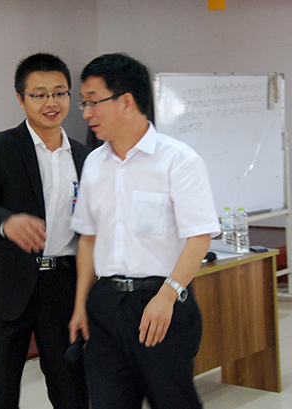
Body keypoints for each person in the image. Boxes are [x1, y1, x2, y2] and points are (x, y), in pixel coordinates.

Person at [68, 53, 220, 409]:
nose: (86, 113)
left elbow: (199, 237)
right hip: (106, 304)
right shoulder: (94, 163)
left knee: (173, 401)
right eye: (84, 103)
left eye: (93, 101)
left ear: (126, 101)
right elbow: (88, 239)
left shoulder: (178, 160)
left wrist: (167, 297)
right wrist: (80, 306)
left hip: (160, 301)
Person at [0, 53, 90, 409]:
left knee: (73, 392)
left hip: (64, 286)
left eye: (59, 93)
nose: (51, 103)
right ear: (21, 99)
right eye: (39, 94)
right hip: (7, 284)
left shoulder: (85, 157)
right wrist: (5, 221)